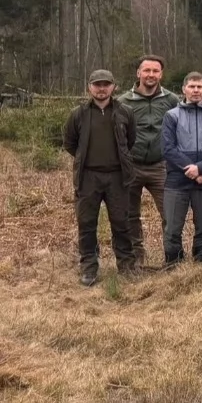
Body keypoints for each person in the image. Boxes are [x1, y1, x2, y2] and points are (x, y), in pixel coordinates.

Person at [64, 70, 138, 286]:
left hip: (118, 177)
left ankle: (126, 265)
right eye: (97, 84)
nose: (101, 88)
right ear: (89, 87)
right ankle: (89, 266)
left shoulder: (125, 112)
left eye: (106, 84)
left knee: (122, 222)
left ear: (114, 87)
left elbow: (130, 140)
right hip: (88, 177)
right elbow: (70, 144)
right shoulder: (78, 113)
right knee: (86, 223)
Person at [160, 72, 202, 267]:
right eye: (192, 86)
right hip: (177, 181)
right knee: (173, 227)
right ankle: (173, 266)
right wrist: (189, 169)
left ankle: (200, 267)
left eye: (200, 87)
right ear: (184, 90)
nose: (196, 90)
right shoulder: (171, 116)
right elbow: (168, 148)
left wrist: (201, 168)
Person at [117, 55, 179, 266]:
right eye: (147, 70)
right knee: (130, 214)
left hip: (160, 166)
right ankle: (137, 257)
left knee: (170, 213)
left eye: (155, 71)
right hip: (131, 166)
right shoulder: (124, 102)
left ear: (161, 74)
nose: (151, 75)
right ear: (138, 73)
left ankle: (172, 256)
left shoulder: (171, 100)